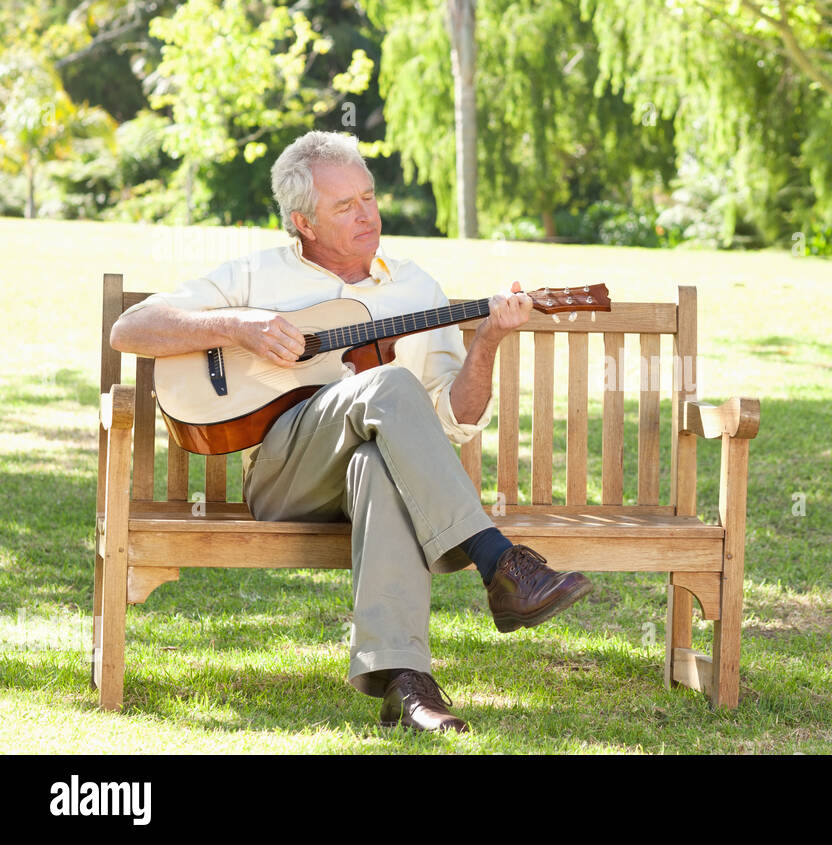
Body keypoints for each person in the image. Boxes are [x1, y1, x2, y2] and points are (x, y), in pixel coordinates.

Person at [109, 130, 593, 733]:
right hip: (287, 479)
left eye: (368, 197)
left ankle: (407, 684)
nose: (367, 214)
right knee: (392, 385)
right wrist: (239, 326)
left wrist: (490, 337)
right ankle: (499, 562)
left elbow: (457, 422)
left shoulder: (416, 287)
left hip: (376, 478)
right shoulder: (256, 276)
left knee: (379, 465)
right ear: (302, 222)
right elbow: (131, 328)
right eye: (346, 206)